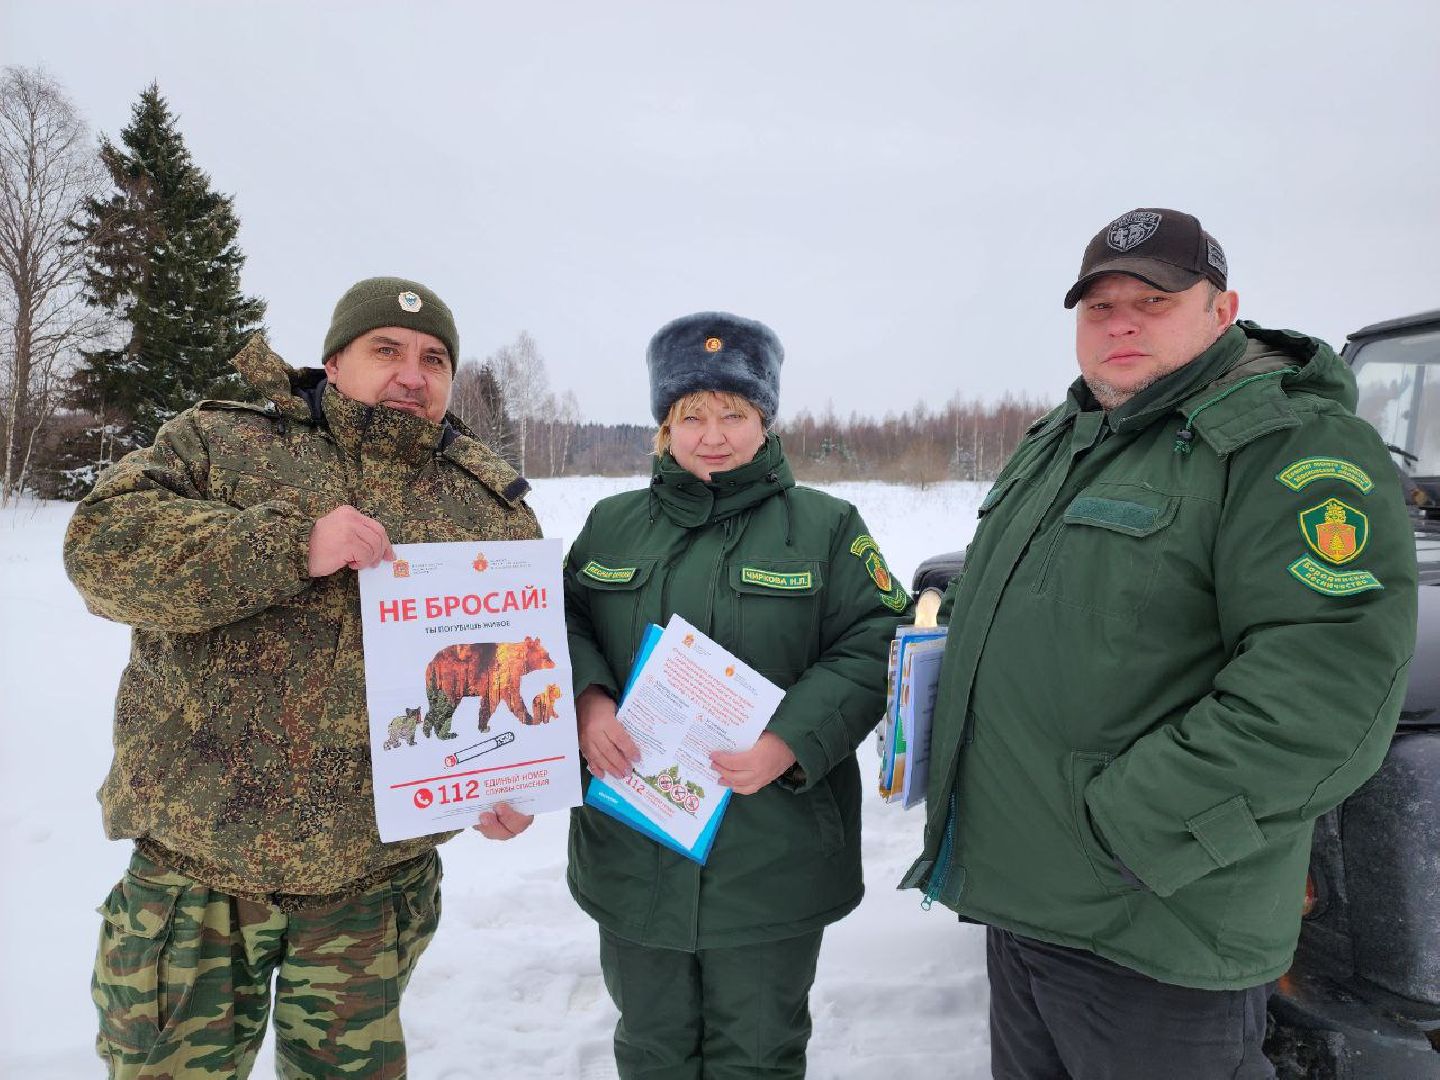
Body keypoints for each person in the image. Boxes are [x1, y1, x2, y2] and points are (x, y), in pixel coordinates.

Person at [901, 209, 1419, 1078]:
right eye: (1099, 308)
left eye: (1154, 299)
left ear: (1224, 311)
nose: (1122, 322)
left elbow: (1327, 691)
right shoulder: (1065, 440)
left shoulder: (1286, 447)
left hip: (1154, 928)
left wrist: (1129, 829)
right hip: (1026, 908)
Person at [64, 277, 541, 1079]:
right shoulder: (221, 442)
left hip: (371, 891)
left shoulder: (486, 506)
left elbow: (503, 668)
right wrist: (290, 548)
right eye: (385, 350)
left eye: (433, 360)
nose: (412, 375)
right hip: (196, 879)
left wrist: (500, 777)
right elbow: (101, 551)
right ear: (333, 361)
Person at [563, 311, 905, 1077]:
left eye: (734, 414)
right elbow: (565, 622)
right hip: (634, 847)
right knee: (650, 1047)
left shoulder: (824, 527)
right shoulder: (611, 525)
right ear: (664, 426)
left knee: (758, 1053)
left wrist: (791, 740)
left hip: (770, 855)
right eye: (692, 415)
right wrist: (588, 701)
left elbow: (877, 638)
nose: (712, 435)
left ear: (765, 420)